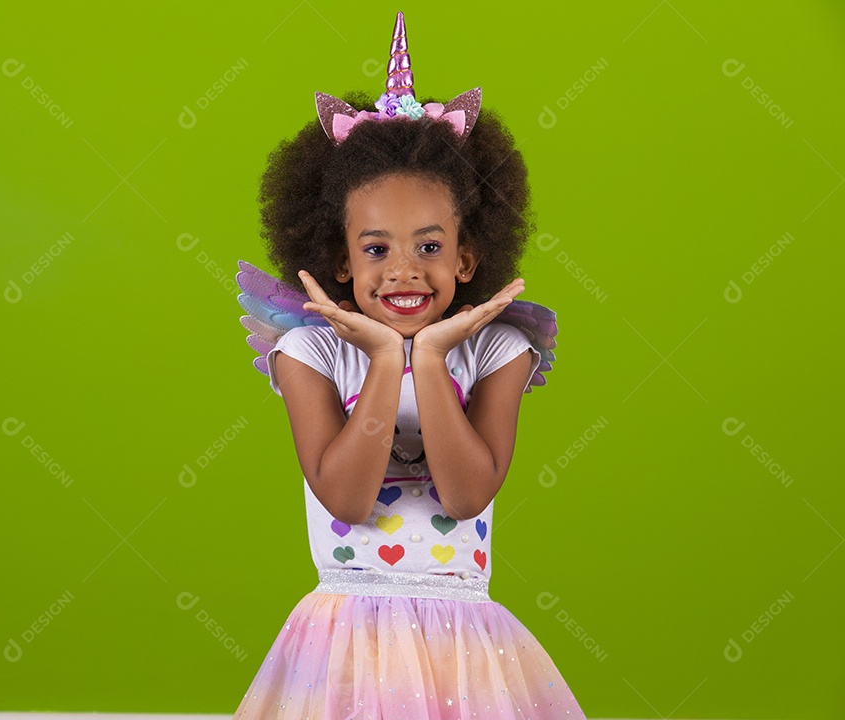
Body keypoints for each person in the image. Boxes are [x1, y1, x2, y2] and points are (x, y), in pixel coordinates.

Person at [232, 12, 586, 719]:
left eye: (429, 247)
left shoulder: (498, 349)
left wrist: (426, 357)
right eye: (374, 249)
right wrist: (384, 360)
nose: (403, 271)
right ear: (338, 258)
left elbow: (465, 495)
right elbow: (346, 498)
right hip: (340, 645)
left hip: (469, 646)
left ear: (468, 256)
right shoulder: (309, 351)